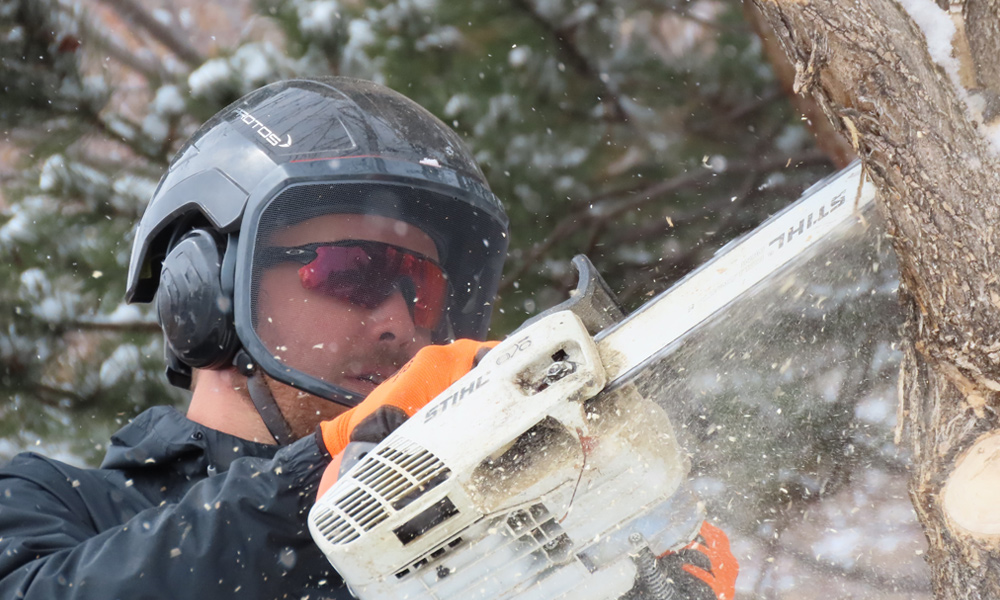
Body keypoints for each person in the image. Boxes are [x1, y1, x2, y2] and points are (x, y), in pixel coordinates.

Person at [0, 77, 737, 599]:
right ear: (207, 287)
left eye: (424, 292)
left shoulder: (473, 551)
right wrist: (318, 481)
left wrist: (629, 571)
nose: (400, 323)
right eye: (353, 272)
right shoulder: (55, 508)